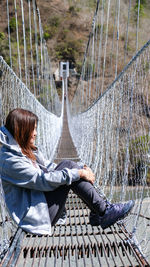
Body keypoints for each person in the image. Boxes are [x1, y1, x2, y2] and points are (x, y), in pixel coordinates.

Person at [0, 108, 134, 235]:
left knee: (69, 166)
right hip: (36, 218)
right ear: (22, 130)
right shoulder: (10, 161)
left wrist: (81, 167)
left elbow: (48, 167)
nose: (35, 133)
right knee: (69, 168)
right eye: (33, 129)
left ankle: (99, 212)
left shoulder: (22, 149)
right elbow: (42, 180)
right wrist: (79, 173)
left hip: (41, 207)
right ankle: (103, 212)